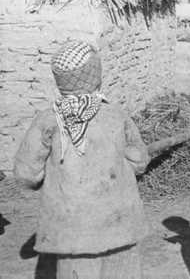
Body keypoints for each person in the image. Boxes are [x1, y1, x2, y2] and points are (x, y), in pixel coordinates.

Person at [13, 41, 150, 278]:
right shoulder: (116, 116)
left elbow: (26, 174)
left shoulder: (48, 120)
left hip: (70, 230)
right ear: (96, 75)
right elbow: (140, 161)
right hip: (118, 224)